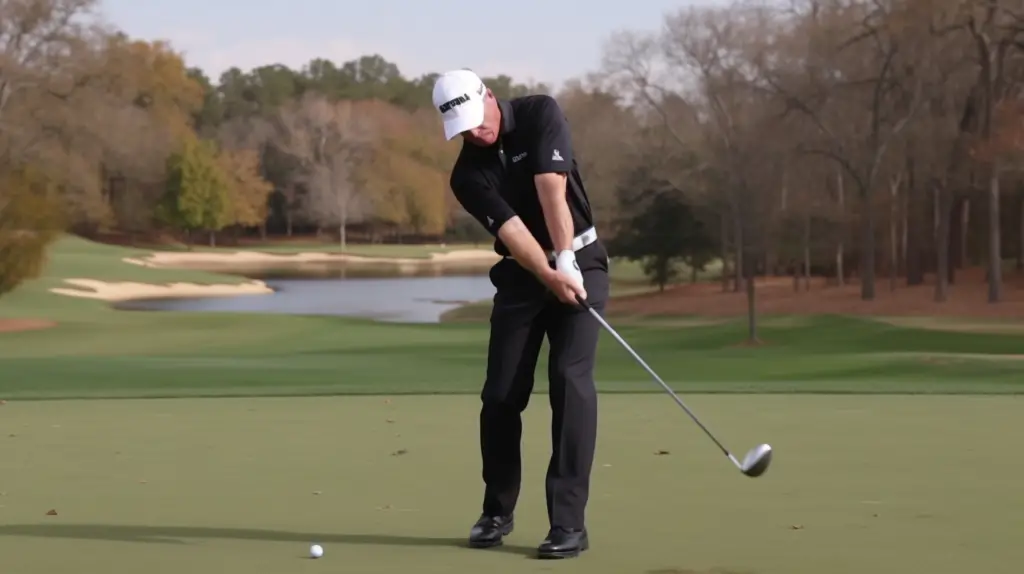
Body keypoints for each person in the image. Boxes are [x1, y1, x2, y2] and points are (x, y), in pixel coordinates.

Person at [431, 68, 610, 560]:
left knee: (570, 384)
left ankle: (568, 525)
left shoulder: (539, 114)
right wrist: (550, 274)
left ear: (489, 96)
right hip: (523, 273)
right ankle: (496, 511)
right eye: (462, 129)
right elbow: (512, 231)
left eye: (476, 120)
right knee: (501, 396)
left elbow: (552, 190)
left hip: (582, 260)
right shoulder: (467, 175)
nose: (474, 133)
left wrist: (567, 261)